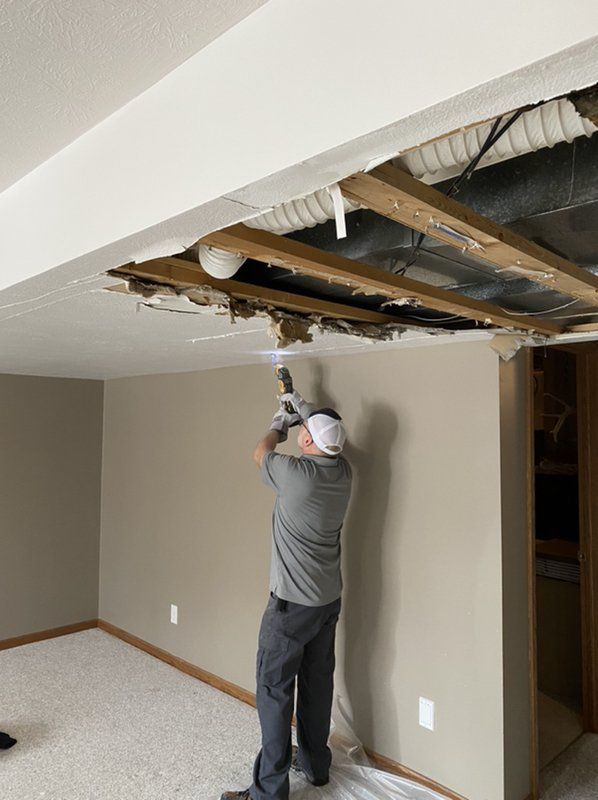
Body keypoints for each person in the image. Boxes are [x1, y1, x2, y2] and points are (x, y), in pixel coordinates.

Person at [221, 387, 352, 800]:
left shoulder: (296, 474)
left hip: (290, 606)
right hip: (326, 602)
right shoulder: (343, 472)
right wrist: (300, 405)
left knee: (274, 692)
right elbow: (326, 432)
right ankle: (315, 766)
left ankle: (268, 792)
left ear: (307, 440)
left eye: (304, 432)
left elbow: (260, 452)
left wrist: (279, 423)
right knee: (317, 683)